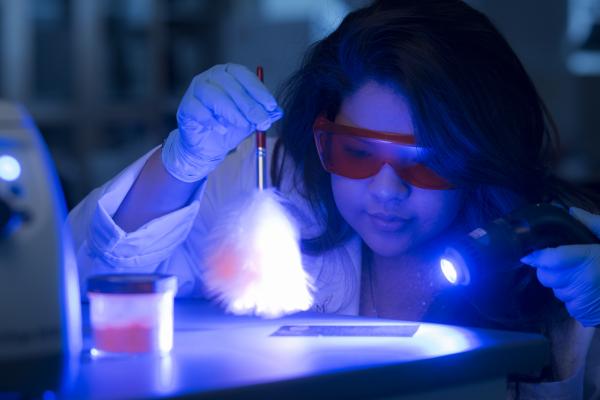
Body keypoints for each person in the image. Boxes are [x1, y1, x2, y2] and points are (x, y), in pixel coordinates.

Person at [67, 0, 600, 397]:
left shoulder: (553, 249)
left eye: (428, 161)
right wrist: (181, 162)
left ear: (481, 154)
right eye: (357, 153)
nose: (387, 192)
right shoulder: (276, 183)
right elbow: (83, 284)